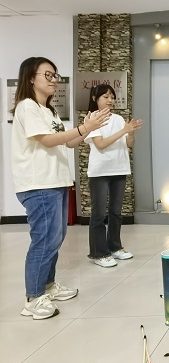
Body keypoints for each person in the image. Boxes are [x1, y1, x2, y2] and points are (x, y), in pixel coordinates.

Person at [11, 57, 110, 320]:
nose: (54, 80)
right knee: (44, 240)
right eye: (48, 75)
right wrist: (84, 127)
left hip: (55, 181)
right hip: (38, 184)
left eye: (55, 75)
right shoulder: (27, 107)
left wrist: (87, 129)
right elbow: (46, 140)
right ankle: (33, 298)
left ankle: (48, 286)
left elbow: (67, 142)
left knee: (55, 238)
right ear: (30, 78)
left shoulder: (50, 111)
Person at [85, 84, 143, 267]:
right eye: (105, 97)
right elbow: (101, 144)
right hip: (100, 172)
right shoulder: (92, 119)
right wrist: (124, 130)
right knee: (98, 213)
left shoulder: (118, 119)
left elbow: (129, 144)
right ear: (95, 99)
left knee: (116, 212)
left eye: (112, 97)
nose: (110, 100)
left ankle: (115, 247)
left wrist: (130, 132)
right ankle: (99, 253)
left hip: (120, 169)